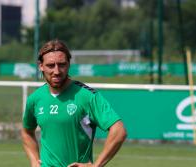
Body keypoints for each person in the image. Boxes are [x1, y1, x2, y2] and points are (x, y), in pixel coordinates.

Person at [21, 39, 127, 167]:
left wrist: (96, 166)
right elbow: (27, 131)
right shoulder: (35, 98)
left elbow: (119, 130)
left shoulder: (87, 96)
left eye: (62, 64)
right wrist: (34, 159)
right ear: (41, 66)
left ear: (69, 64)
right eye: (50, 65)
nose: (57, 71)